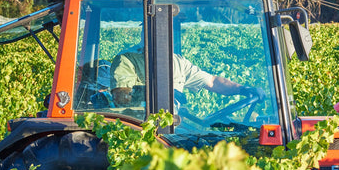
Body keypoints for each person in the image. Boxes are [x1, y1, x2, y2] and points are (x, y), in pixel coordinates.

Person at [110, 43, 264, 107]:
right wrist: (162, 95)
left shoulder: (177, 62)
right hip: (140, 127)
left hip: (173, 126)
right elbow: (121, 97)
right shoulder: (128, 60)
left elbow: (213, 82)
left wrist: (243, 89)